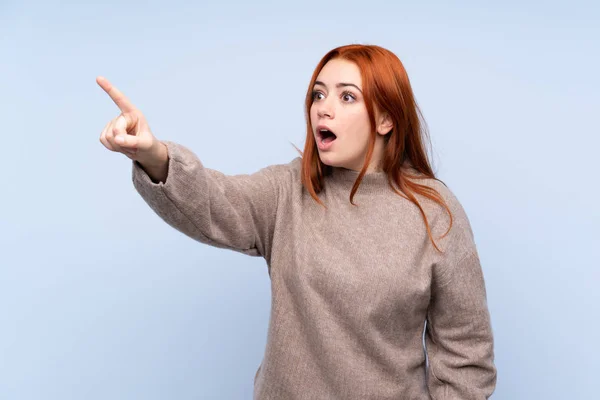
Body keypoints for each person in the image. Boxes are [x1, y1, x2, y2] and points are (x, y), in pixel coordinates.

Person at [97, 44, 497, 399]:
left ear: (386, 119)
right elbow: (213, 202)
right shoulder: (289, 191)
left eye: (347, 97)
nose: (324, 107)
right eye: (319, 94)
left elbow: (466, 354)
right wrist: (151, 153)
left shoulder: (435, 211)